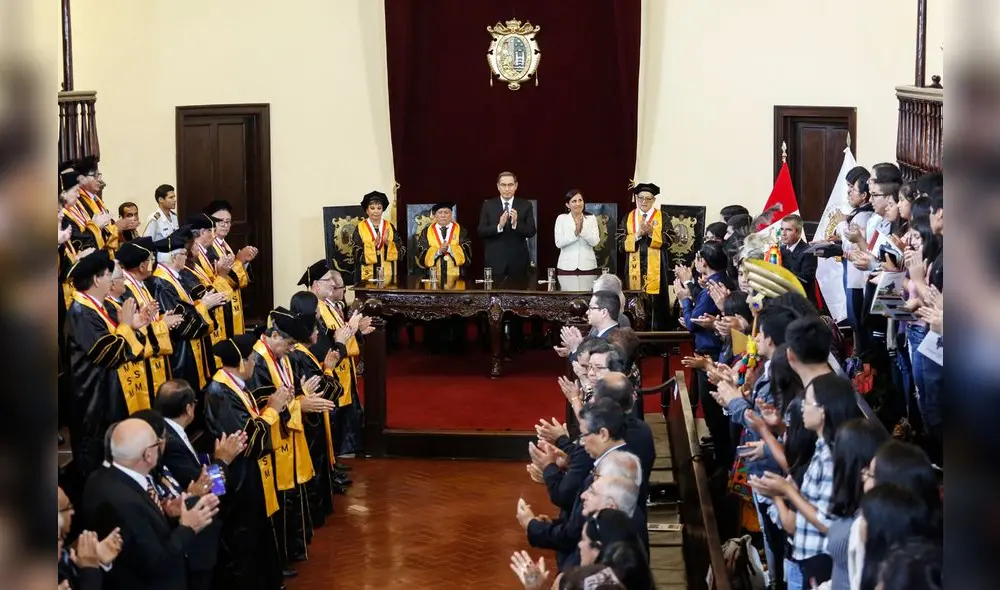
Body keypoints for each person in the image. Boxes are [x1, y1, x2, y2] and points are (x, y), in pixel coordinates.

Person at [80, 418, 220, 590]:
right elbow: (157, 563)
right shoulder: (127, 503)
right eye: (157, 443)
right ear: (147, 454)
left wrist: (168, 514)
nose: (161, 446)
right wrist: (188, 527)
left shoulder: (101, 478)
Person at [203, 334, 288, 589]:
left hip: (249, 474)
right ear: (241, 362)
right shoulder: (220, 392)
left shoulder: (234, 385)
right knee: (242, 535)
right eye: (251, 359)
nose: (253, 363)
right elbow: (246, 440)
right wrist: (273, 409)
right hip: (236, 477)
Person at [65, 251, 151, 478]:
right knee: (97, 467)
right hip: (93, 403)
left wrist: (134, 326)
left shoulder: (100, 307)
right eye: (108, 276)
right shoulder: (81, 311)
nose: (112, 281)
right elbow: (110, 354)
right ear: (96, 280)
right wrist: (126, 327)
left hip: (109, 396)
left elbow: (128, 349)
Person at [150, 228, 225, 393]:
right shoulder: (162, 283)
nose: (187, 256)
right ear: (174, 257)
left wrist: (203, 303)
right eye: (184, 253)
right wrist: (204, 305)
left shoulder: (175, 277)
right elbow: (179, 320)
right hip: (180, 353)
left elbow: (187, 307)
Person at [116, 238, 183, 408]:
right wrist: (162, 325)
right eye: (151, 260)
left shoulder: (140, 284)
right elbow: (134, 326)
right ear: (142, 266)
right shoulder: (126, 291)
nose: (153, 264)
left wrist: (161, 319)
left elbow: (147, 318)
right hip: (142, 359)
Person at [204, 199, 258, 336]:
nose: (225, 225)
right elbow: (224, 278)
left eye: (228, 221)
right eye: (220, 221)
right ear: (211, 222)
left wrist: (245, 261)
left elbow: (238, 279)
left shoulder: (224, 245)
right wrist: (240, 260)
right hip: (220, 306)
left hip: (233, 303)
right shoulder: (208, 249)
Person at [619, 182, 669, 328]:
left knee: (656, 305)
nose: (644, 201)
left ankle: (656, 342)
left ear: (653, 200)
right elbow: (620, 243)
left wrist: (651, 233)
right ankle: (634, 339)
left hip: (657, 270)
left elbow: (670, 240)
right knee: (635, 302)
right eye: (640, 198)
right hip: (633, 268)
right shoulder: (628, 218)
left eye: (648, 198)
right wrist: (638, 234)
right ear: (636, 198)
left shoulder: (662, 217)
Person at [181, 213, 235, 344]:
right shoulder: (191, 263)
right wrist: (221, 275)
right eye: (211, 230)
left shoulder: (207, 254)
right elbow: (207, 293)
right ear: (202, 232)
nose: (214, 233)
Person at [477, 170, 537, 282]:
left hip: (518, 263)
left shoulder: (525, 205)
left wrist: (516, 224)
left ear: (516, 186)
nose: (507, 189)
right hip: (495, 263)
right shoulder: (488, 205)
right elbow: (481, 231)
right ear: (498, 187)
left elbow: (531, 231)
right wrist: (499, 226)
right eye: (503, 185)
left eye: (510, 185)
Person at [352, 190, 404, 282]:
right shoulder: (360, 227)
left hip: (387, 272)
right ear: (367, 210)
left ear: (382, 210)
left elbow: (402, 250)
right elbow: (355, 250)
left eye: (379, 208)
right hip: (366, 273)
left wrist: (388, 243)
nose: (376, 211)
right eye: (372, 208)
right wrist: (373, 245)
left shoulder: (389, 226)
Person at [415, 201, 472, 279]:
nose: (443, 215)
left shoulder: (461, 231)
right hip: (433, 276)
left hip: (457, 276)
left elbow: (467, 252)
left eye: (446, 212)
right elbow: (421, 252)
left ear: (451, 214)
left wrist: (450, 249)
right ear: (435, 215)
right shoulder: (426, 231)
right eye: (440, 212)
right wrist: (438, 251)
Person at [555, 189, 600, 276]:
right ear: (567, 204)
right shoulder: (561, 219)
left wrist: (581, 231)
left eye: (580, 200)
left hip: (588, 266)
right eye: (574, 201)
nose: (578, 204)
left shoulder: (591, 218)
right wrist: (575, 233)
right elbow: (559, 243)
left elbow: (595, 241)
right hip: (566, 267)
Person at [779, 214, 818, 309]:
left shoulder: (808, 251)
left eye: (788, 230)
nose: (783, 233)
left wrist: (783, 269)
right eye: (781, 229)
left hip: (803, 304)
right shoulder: (779, 250)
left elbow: (805, 279)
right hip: (784, 302)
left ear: (798, 232)